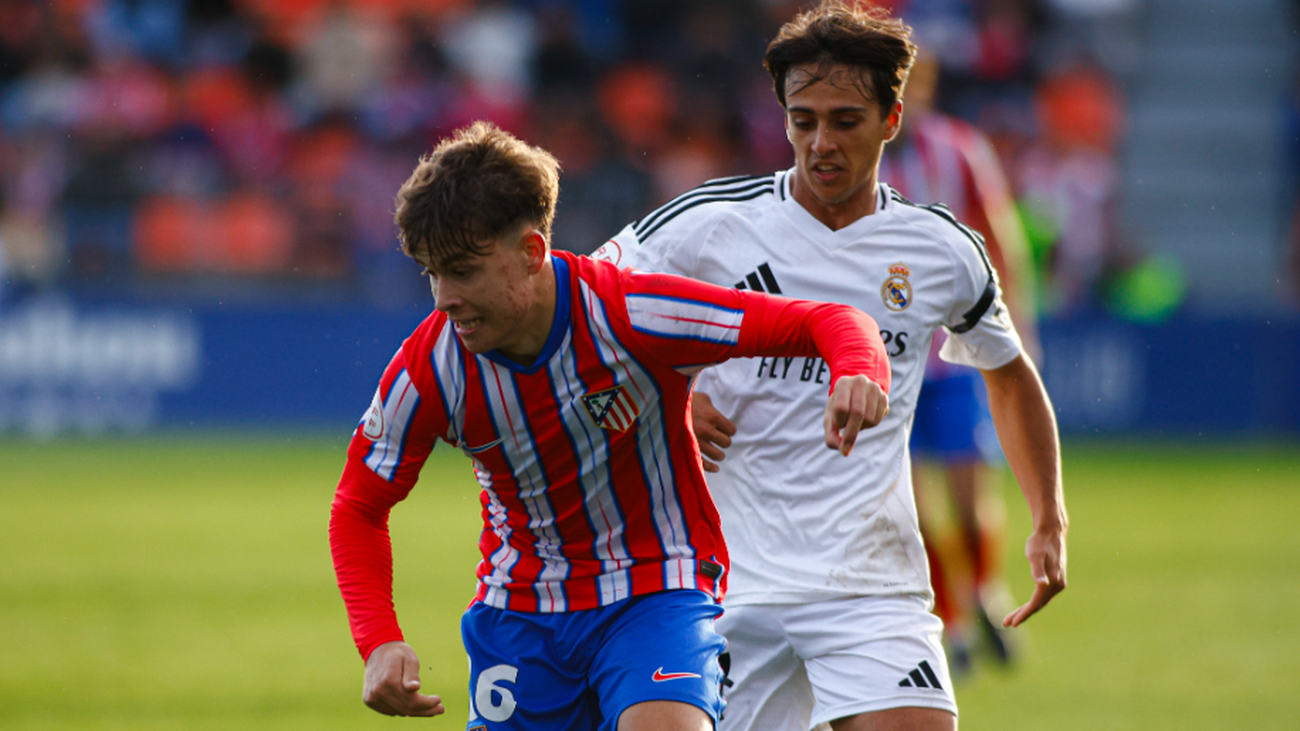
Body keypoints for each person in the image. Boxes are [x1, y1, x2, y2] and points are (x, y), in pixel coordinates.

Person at [328, 120, 893, 731]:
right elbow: (359, 505)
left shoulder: (634, 314)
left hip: (656, 589)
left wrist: (857, 369)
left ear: (532, 251)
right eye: (431, 273)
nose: (443, 298)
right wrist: (378, 639)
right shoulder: (430, 369)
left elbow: (826, 321)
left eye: (463, 271)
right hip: (520, 614)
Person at [595, 3, 1067, 730]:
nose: (819, 142)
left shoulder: (940, 250)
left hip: (870, 585)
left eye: (844, 120)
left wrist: (1048, 516)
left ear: (892, 118)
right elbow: (581, 310)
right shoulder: (707, 226)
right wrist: (669, 396)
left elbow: (1007, 373)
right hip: (721, 584)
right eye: (802, 119)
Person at [878, 50, 1039, 672]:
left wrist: (1017, 327)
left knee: (971, 504)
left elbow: (1002, 235)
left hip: (954, 357)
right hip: (890, 363)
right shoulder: (856, 156)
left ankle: (983, 588)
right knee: (911, 510)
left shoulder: (959, 148)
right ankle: (955, 625)